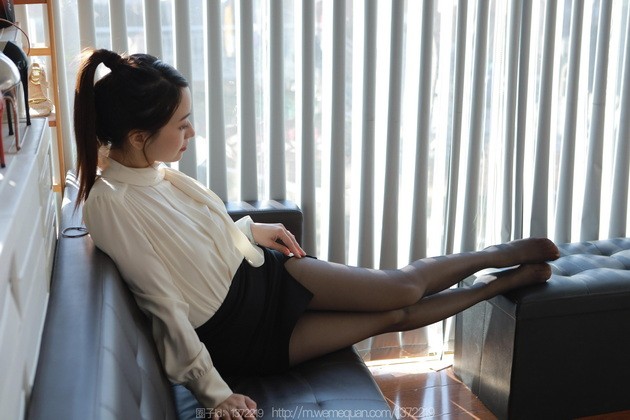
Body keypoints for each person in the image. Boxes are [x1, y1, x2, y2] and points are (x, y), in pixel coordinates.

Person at [74, 48, 559, 420]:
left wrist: (248, 230)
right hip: (242, 335)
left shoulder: (153, 170)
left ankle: (492, 254)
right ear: (138, 136)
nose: (192, 134)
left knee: (400, 285)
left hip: (262, 274)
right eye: (182, 125)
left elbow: (190, 241)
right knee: (395, 314)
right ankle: (494, 286)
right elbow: (162, 300)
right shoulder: (111, 203)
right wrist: (214, 391)